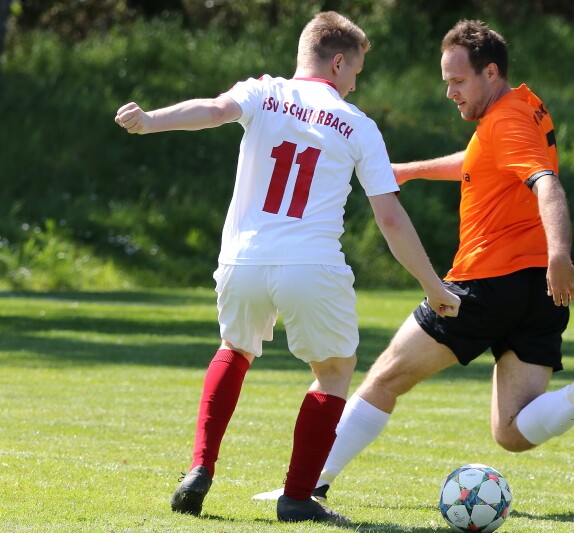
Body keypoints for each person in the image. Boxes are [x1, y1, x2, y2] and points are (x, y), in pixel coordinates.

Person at [254, 18, 574, 507]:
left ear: (490, 72)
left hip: (485, 283)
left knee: (385, 378)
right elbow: (481, 161)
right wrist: (409, 171)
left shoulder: (505, 120)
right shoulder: (524, 106)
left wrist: (560, 253)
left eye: (458, 81)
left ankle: (308, 485)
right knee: (511, 432)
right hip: (536, 294)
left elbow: (547, 183)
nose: (450, 93)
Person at [114, 11, 460, 524]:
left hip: (243, 258)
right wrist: (433, 285)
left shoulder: (263, 91)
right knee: (335, 370)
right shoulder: (357, 124)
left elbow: (213, 110)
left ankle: (201, 467)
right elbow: (389, 217)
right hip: (311, 264)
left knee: (235, 349)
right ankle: (297, 497)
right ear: (338, 62)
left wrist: (150, 120)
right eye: (355, 71)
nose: (354, 83)